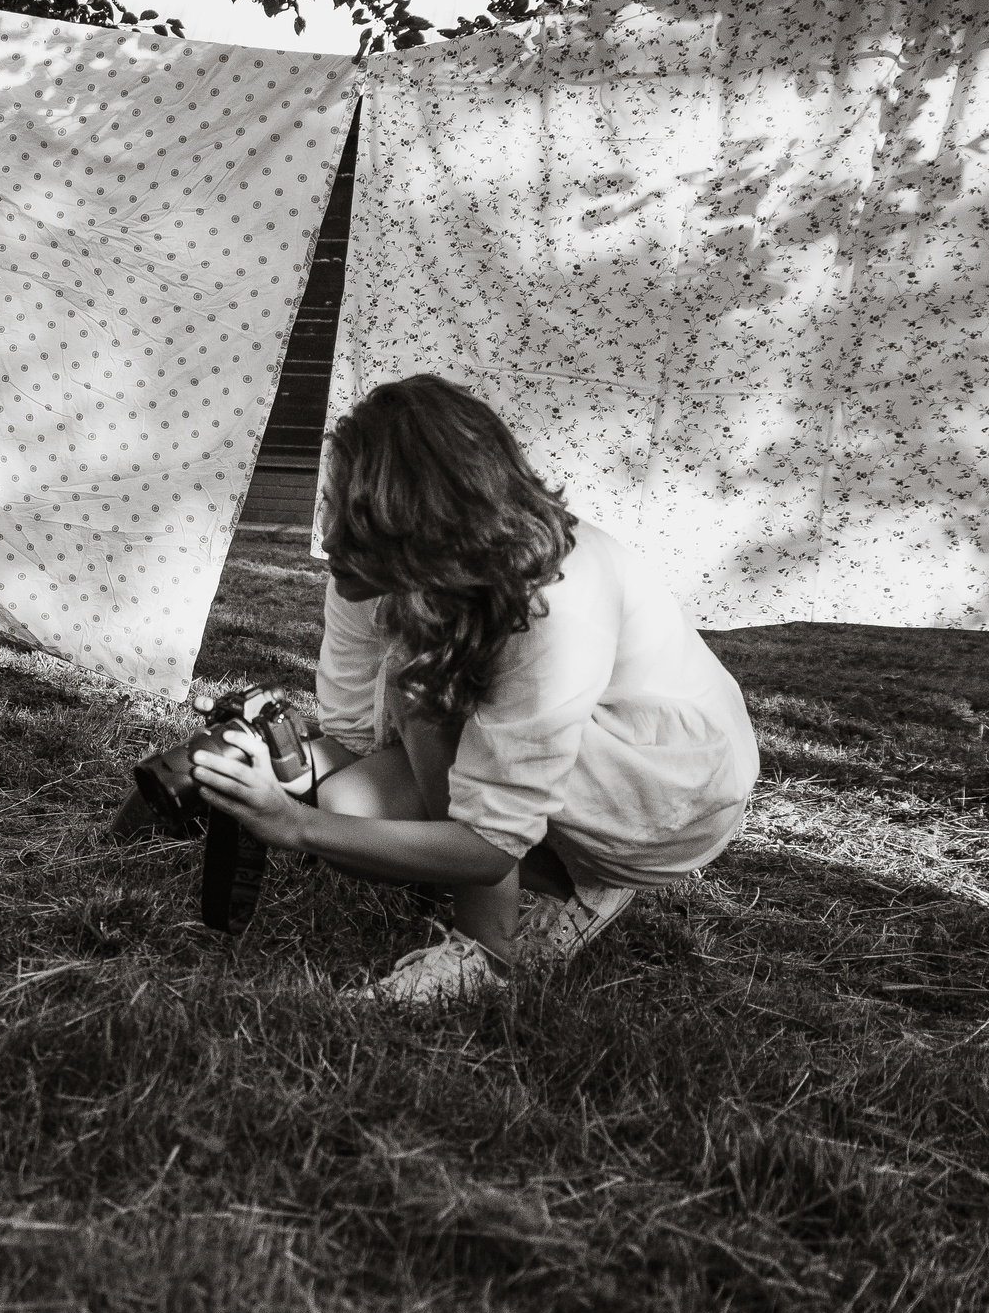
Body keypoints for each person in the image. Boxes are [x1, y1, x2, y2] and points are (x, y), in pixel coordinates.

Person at [192, 374, 758, 1001]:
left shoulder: (557, 600)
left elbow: (489, 846)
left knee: (431, 706)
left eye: (355, 518)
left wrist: (291, 824)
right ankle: (531, 877)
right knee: (350, 803)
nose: (326, 539)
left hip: (662, 788)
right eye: (329, 503)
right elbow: (353, 738)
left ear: (426, 525)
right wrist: (274, 765)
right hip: (547, 762)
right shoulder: (368, 569)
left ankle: (506, 935)